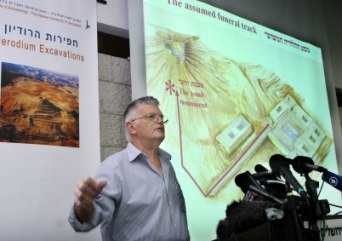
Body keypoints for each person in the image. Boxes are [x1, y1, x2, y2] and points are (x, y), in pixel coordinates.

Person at [68, 96, 190, 241]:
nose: (159, 121)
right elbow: (88, 218)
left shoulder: (167, 163)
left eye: (161, 117)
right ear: (131, 127)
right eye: (151, 116)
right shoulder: (114, 168)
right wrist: (84, 208)